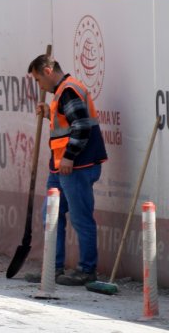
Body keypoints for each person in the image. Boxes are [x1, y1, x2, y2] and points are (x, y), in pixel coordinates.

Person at [27, 54, 107, 286]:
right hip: (62, 167)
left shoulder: (69, 90)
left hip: (76, 166)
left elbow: (81, 127)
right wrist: (49, 113)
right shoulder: (63, 92)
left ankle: (87, 270)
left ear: (48, 71)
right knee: (50, 215)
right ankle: (54, 268)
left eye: (38, 79)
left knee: (81, 218)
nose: (39, 85)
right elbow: (69, 121)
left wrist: (69, 157)